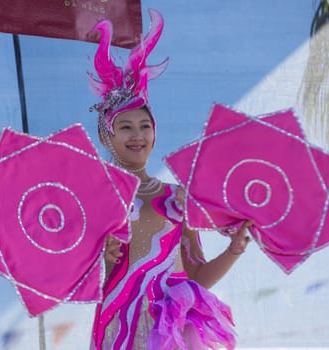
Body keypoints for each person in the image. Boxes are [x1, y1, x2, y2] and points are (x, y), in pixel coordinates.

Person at [87, 9, 252, 350]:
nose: (138, 136)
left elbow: (197, 277)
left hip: (172, 332)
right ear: (106, 137)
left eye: (145, 126)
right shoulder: (96, 200)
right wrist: (103, 260)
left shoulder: (176, 198)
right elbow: (77, 281)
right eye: (126, 127)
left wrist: (233, 251)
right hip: (120, 329)